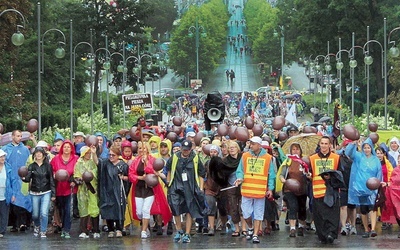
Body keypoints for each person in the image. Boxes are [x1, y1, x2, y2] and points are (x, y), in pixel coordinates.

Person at [234, 136, 276, 244]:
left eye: (253, 144)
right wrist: (239, 178)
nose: (250, 145)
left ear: (259, 145)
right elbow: (240, 171)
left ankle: (256, 234)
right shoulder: (245, 156)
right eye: (250, 144)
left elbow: (271, 175)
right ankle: (250, 227)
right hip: (247, 189)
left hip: (260, 191)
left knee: (258, 213)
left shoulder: (267, 157)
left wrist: (270, 189)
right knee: (246, 213)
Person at [129, 142, 171, 239]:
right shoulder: (135, 161)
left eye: (143, 148)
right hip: (139, 189)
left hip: (150, 189)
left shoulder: (152, 160)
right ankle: (145, 225)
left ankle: (143, 230)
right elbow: (131, 174)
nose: (141, 150)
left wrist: (147, 163)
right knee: (139, 212)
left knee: (145, 210)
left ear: (147, 149)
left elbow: (153, 171)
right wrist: (140, 177)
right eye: (139, 148)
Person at [166, 140, 206, 243]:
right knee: (175, 208)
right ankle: (179, 230)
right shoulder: (175, 157)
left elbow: (201, 173)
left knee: (189, 209)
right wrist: (169, 183)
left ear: (190, 149)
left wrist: (200, 188)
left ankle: (187, 233)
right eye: (184, 149)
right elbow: (169, 170)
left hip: (190, 186)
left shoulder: (195, 158)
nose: (185, 151)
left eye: (187, 150)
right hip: (176, 186)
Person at [346, 137, 382, 238]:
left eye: (368, 147)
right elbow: (348, 153)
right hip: (361, 187)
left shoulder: (376, 160)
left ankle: (373, 229)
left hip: (372, 188)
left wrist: (377, 184)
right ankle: (366, 229)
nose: (366, 149)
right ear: (362, 148)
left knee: (372, 208)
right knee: (363, 210)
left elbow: (379, 173)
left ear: (372, 148)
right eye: (365, 147)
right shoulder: (358, 156)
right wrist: (353, 143)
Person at [309, 136, 342, 244]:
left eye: (326, 143)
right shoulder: (312, 158)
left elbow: (340, 174)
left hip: (331, 191)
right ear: (319, 145)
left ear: (329, 145)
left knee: (333, 215)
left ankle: (331, 234)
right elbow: (310, 173)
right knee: (320, 216)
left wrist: (331, 177)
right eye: (322, 143)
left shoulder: (336, 157)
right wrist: (308, 175)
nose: (324, 146)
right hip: (318, 191)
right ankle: (323, 236)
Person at [2, 130, 32, 232]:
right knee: (11, 201)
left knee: (23, 200)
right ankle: (14, 224)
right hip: (10, 179)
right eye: (17, 136)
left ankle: (23, 223)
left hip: (22, 180)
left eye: (21, 136)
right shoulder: (6, 149)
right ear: (12, 136)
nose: (19, 138)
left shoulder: (24, 149)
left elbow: (29, 163)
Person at [23, 147, 55, 238]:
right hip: (34, 192)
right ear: (34, 155)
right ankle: (37, 225)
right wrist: (23, 178)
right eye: (36, 153)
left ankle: (43, 231)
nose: (38, 154)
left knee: (44, 213)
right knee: (35, 214)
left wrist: (53, 193)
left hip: (46, 191)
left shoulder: (48, 166)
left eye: (40, 153)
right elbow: (28, 179)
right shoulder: (31, 166)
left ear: (44, 155)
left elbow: (52, 180)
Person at [98, 146, 129, 238]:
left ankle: (119, 228)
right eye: (109, 155)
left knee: (119, 209)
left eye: (113, 155)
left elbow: (129, 178)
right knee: (108, 209)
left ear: (118, 155)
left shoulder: (123, 165)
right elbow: (97, 162)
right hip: (107, 191)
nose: (111, 156)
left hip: (119, 190)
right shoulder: (105, 163)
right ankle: (111, 229)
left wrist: (123, 177)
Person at [279, 143, 309, 237]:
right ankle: (292, 228)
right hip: (289, 189)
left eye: (297, 149)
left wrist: (308, 175)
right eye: (293, 149)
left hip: (302, 189)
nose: (295, 151)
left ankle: (301, 226)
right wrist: (285, 181)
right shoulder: (288, 161)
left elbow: (309, 173)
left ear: (300, 151)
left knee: (302, 208)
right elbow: (281, 174)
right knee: (293, 206)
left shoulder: (304, 161)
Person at [50, 140, 79, 239]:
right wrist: (54, 174)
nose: (66, 149)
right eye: (65, 147)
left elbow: (78, 172)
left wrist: (74, 181)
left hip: (70, 188)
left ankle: (66, 229)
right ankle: (61, 226)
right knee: (61, 209)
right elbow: (51, 170)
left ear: (71, 149)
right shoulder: (56, 159)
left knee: (68, 209)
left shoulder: (76, 158)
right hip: (59, 188)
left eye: (68, 147)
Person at [73, 145, 100, 239]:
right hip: (82, 190)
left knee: (94, 208)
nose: (88, 155)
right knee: (83, 209)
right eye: (86, 153)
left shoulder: (93, 162)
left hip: (92, 188)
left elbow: (96, 172)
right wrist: (79, 179)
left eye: (89, 153)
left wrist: (90, 176)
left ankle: (96, 230)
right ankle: (84, 231)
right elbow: (76, 174)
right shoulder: (78, 163)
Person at [0, 149, 16, 238]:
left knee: (4, 213)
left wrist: (13, 194)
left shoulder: (8, 167)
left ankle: (2, 231)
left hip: (6, 193)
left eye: (3, 156)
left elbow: (13, 181)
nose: (2, 158)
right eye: (1, 157)